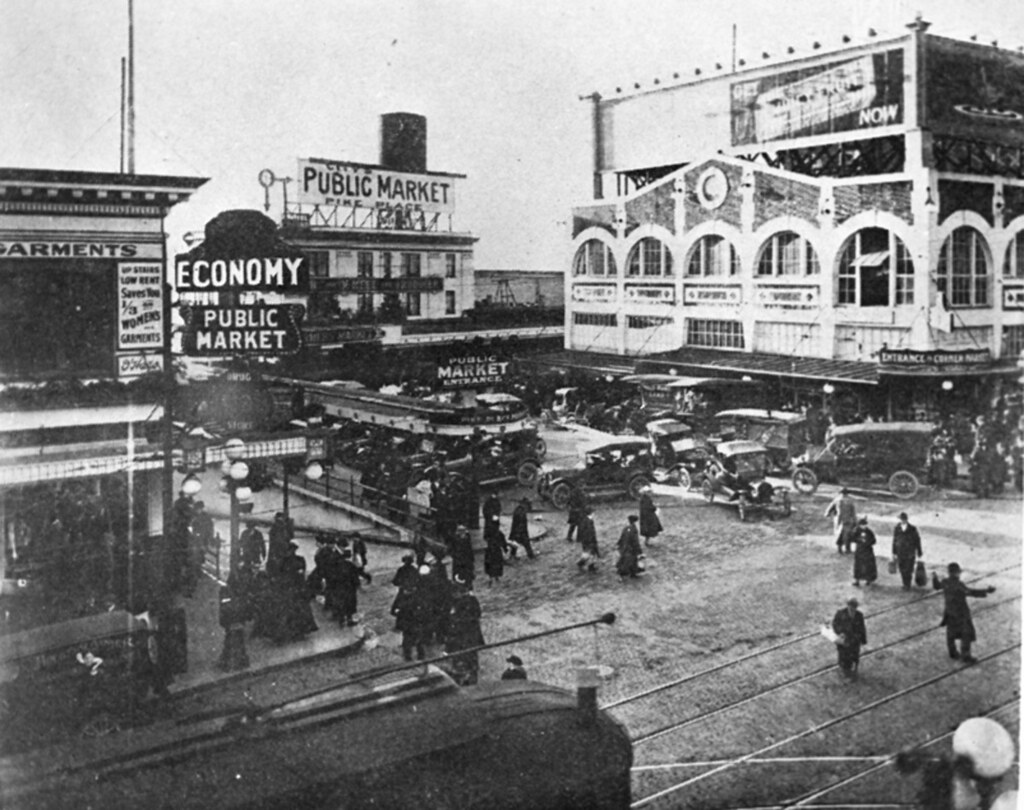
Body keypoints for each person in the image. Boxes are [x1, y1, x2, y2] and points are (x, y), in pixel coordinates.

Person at [932, 562, 996, 664]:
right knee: (966, 634)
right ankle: (966, 656)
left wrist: (934, 577)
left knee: (951, 633)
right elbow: (970, 592)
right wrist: (986, 591)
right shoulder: (958, 585)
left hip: (949, 612)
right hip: (961, 614)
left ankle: (952, 652)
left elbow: (936, 586)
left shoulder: (945, 582)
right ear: (956, 573)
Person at [444, 578, 485, 685]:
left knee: (469, 656)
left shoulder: (471, 601)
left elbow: (476, 615)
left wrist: (458, 619)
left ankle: (470, 677)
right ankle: (464, 676)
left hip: (467, 635)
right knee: (461, 656)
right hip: (460, 635)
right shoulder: (457, 602)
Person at [831, 597, 867, 679]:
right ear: (848, 606)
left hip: (855, 639)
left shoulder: (859, 615)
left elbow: (862, 627)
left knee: (854, 655)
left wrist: (863, 639)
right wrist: (840, 632)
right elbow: (835, 624)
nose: (852, 610)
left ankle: (853, 670)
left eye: (854, 608)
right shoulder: (841, 613)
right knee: (843, 655)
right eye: (850, 607)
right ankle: (844, 670)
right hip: (844, 639)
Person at [891, 512, 923, 590]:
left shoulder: (912, 529)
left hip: (910, 552)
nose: (902, 521)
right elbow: (894, 540)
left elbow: (917, 540)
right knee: (902, 567)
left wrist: (919, 551)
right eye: (901, 519)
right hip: (900, 551)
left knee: (909, 568)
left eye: (904, 519)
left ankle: (907, 584)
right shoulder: (897, 528)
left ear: (906, 519)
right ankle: (905, 583)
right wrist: (894, 552)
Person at [825, 488, 857, 554]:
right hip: (849, 520)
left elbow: (829, 509)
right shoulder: (850, 500)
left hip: (839, 520)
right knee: (848, 534)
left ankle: (839, 549)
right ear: (847, 493)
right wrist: (855, 521)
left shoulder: (837, 500)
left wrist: (827, 514)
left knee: (839, 534)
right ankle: (848, 549)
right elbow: (853, 512)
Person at [616, 514, 644, 579]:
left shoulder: (626, 528)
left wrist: (619, 545)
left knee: (626, 560)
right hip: (631, 548)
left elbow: (622, 537)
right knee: (630, 561)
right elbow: (635, 541)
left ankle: (630, 574)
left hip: (624, 547)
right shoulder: (634, 529)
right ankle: (629, 574)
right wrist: (639, 550)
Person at [852, 517, 877, 587]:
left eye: (865, 525)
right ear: (859, 525)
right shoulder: (856, 531)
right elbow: (853, 538)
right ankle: (857, 580)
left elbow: (874, 541)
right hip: (859, 551)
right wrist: (860, 540)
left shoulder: (869, 532)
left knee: (868, 565)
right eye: (862, 525)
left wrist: (867, 542)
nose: (864, 526)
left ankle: (868, 579)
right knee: (858, 566)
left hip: (868, 551)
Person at [576, 506, 600, 573]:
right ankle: (590, 566)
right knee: (591, 553)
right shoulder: (588, 521)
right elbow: (589, 532)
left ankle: (582, 563)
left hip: (586, 540)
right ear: (591, 513)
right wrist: (591, 541)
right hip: (589, 541)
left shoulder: (585, 520)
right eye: (593, 512)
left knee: (587, 553)